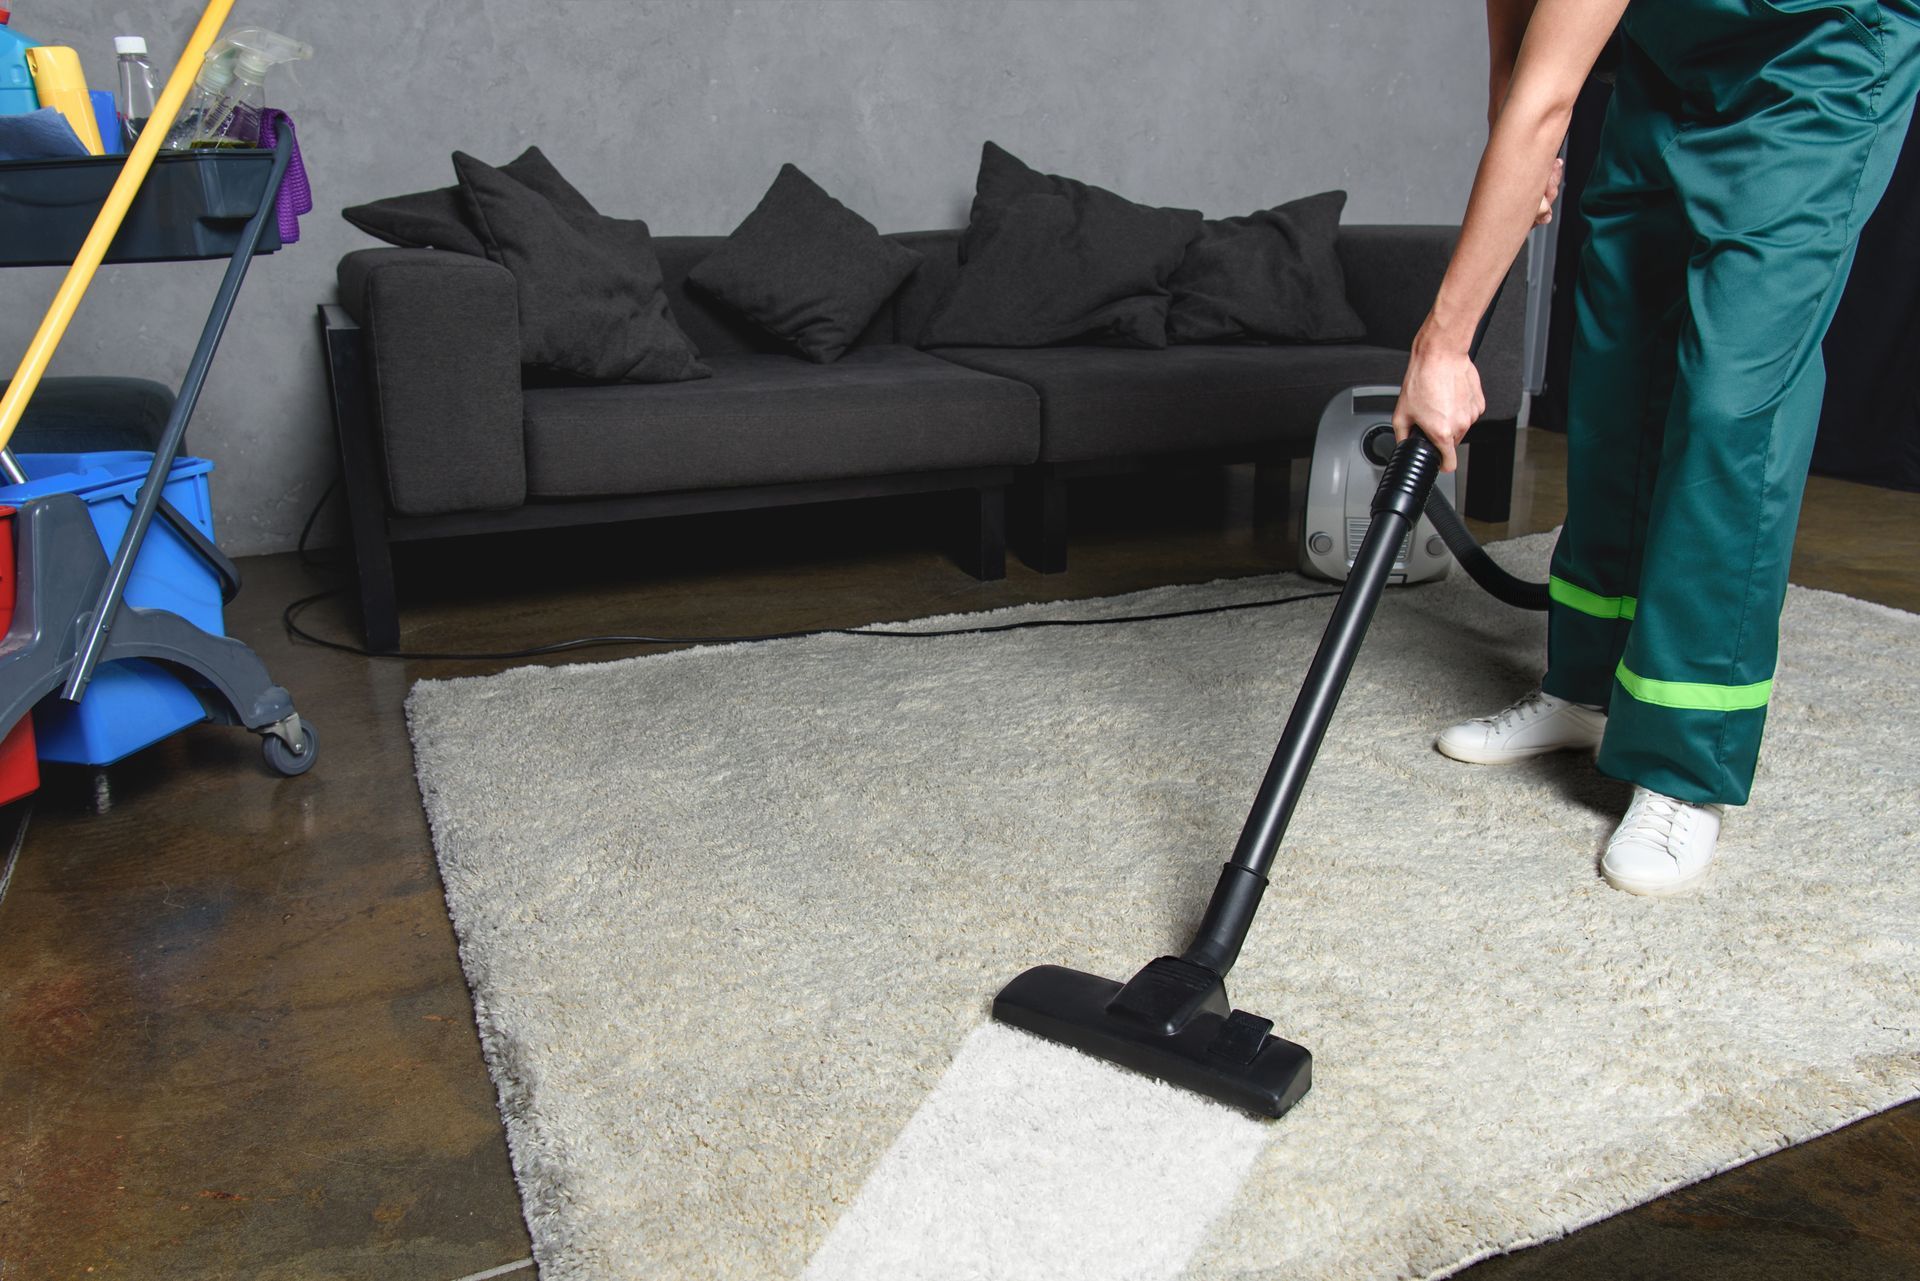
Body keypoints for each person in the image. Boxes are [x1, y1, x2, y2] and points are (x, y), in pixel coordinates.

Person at [1393, 0, 1920, 895]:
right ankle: (1586, 687)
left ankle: (1685, 761)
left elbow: (1550, 99)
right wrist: (1511, 127)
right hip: (1670, 51)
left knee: (1731, 399)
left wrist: (1442, 345)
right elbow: (1522, 47)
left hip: (1816, 53)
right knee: (1616, 361)